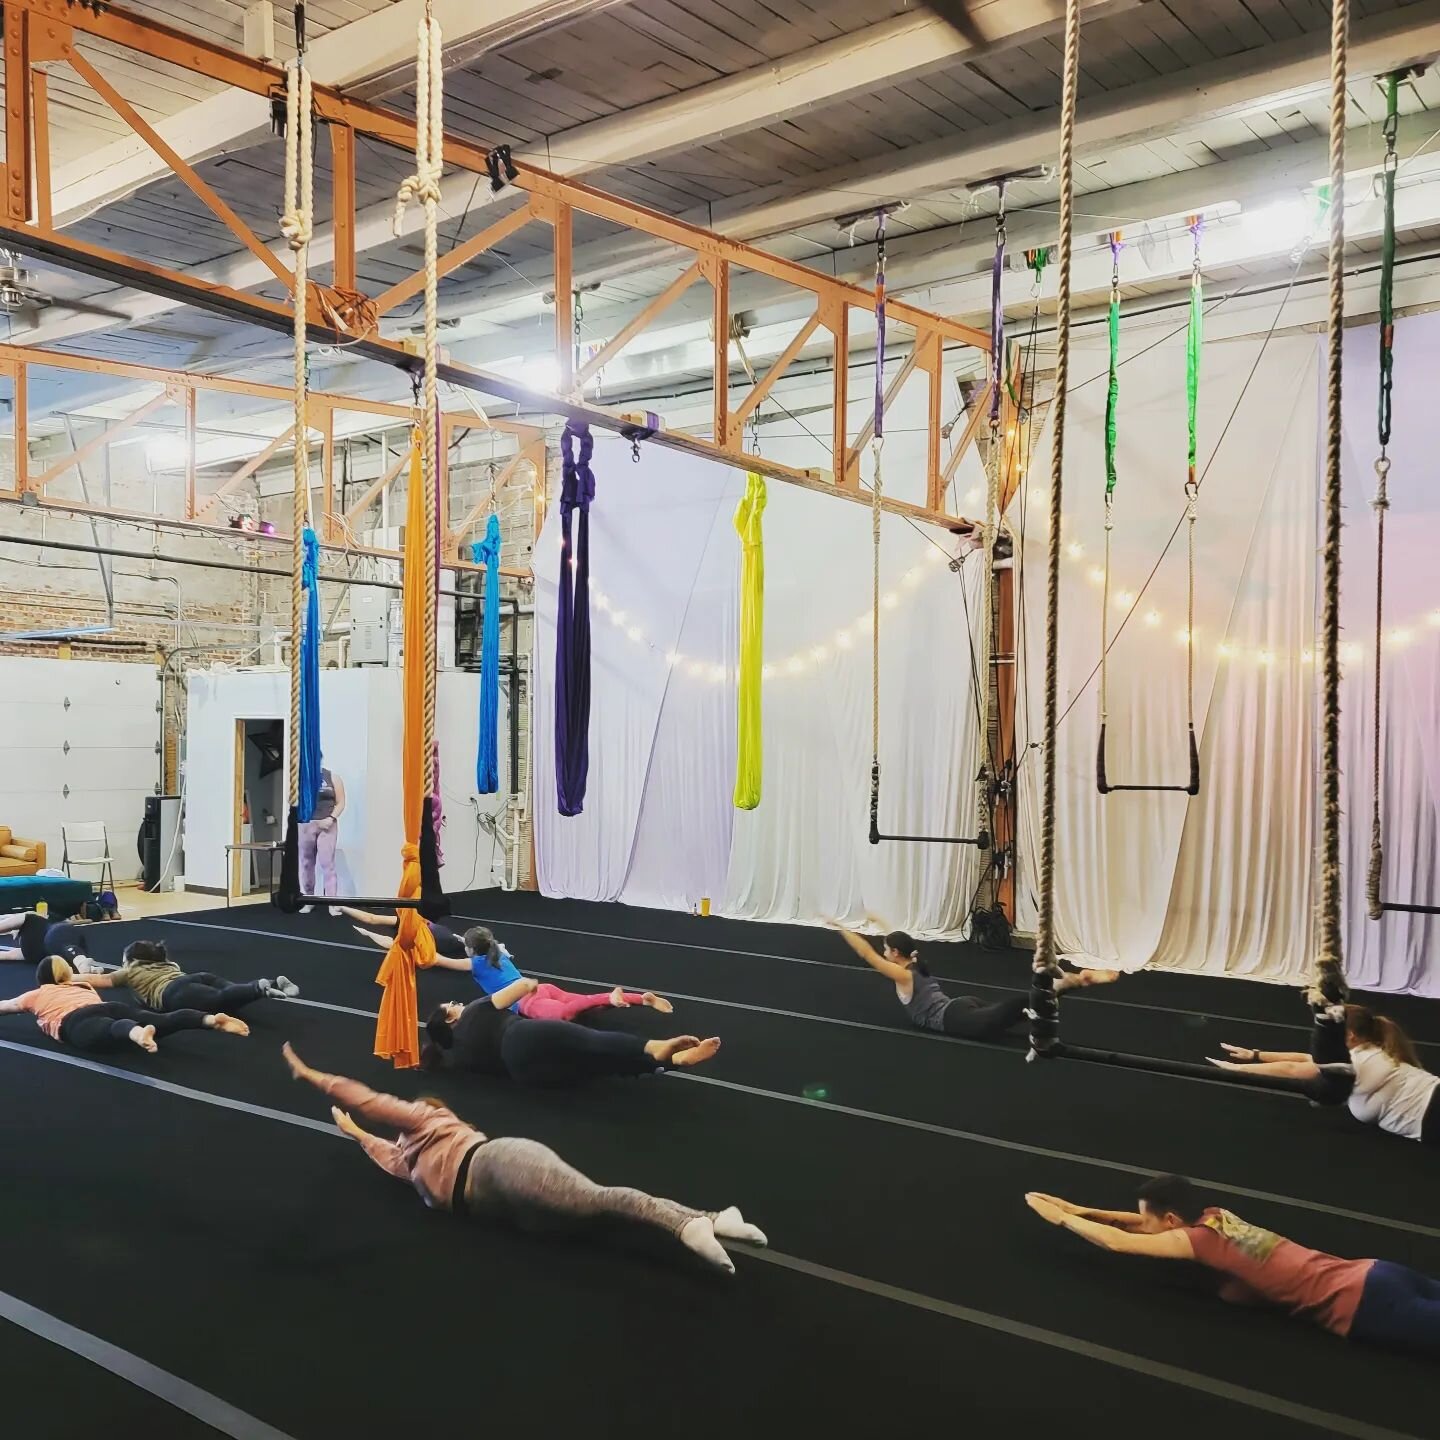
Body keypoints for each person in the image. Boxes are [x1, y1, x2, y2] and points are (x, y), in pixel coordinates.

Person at [281, 1043, 766, 1272]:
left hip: (496, 1163)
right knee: (594, 1223)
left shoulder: (427, 1122)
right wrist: (353, 1132)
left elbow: (371, 1100)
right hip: (498, 1210)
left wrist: (315, 1076)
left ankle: (691, 1225)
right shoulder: (410, 1159)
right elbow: (386, 1155)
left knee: (593, 1199)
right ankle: (713, 1218)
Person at [1024, 1175, 1440, 1358]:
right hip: (1378, 1272)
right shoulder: (1215, 1215)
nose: (1144, 1223)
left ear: (1171, 1221)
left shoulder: (1198, 1243)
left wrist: (1061, 1218)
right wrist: (1080, 1208)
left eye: (1150, 1218)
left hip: (1366, 1305)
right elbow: (1134, 1224)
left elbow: (1120, 1241)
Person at [342, 912, 675, 1022]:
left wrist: (384, 942)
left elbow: (434, 960)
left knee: (569, 1013)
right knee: (578, 999)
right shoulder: (497, 953)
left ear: (471, 949)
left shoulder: (473, 964)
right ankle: (635, 998)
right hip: (543, 988)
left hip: (528, 1001)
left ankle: (617, 999)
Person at [834, 917, 1117, 1041]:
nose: (884, 953)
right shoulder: (915, 961)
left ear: (895, 954)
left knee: (1007, 1016)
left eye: (887, 950)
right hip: (963, 1004)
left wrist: (842, 928)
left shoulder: (902, 975)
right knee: (1014, 1013)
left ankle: (1066, 984)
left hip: (955, 1019)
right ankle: (1061, 990)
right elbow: (892, 941)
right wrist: (878, 922)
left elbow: (868, 955)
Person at [1209, 1003, 1437, 1144]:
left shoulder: (1358, 1061)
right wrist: (1255, 1055)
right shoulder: (1365, 1051)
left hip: (1431, 1113)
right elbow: (1306, 1059)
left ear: (1350, 1037)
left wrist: (1240, 1070)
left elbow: (1295, 1070)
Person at [422, 979, 719, 1087]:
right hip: (521, 1036)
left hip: (526, 1076)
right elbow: (524, 986)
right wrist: (531, 985)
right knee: (591, 1041)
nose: (457, 1004)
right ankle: (654, 1048)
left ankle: (673, 1062)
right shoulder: (474, 1011)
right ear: (449, 1019)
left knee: (598, 1066)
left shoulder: (458, 1056)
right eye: (452, 1005)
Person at [0, 955, 250, 1055]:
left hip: (76, 1021)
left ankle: (137, 1033)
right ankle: (207, 1020)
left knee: (111, 1028)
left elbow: (6, 1006)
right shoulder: (82, 986)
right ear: (66, 975)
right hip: (107, 1006)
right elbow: (86, 976)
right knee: (165, 1020)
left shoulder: (35, 995)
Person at [76, 938, 300, 1015]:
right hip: (195, 977)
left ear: (131, 960)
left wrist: (67, 977)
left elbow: (102, 981)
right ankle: (271, 983)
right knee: (227, 993)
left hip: (172, 993)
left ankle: (258, 989)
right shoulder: (167, 963)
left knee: (218, 1002)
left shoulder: (130, 971)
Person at [299, 764, 346, 912]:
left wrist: (331, 818)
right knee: (306, 864)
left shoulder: (333, 777)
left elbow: (341, 802)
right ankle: (309, 899)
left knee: (328, 863)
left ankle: (332, 903)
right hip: (307, 825)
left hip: (327, 824)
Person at [0, 911, 92, 968]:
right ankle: (81, 962)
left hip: (59, 934)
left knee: (61, 944)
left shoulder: (28, 919)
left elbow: (6, 924)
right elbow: (6, 955)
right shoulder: (26, 953)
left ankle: (81, 962)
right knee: (63, 948)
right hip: (58, 949)